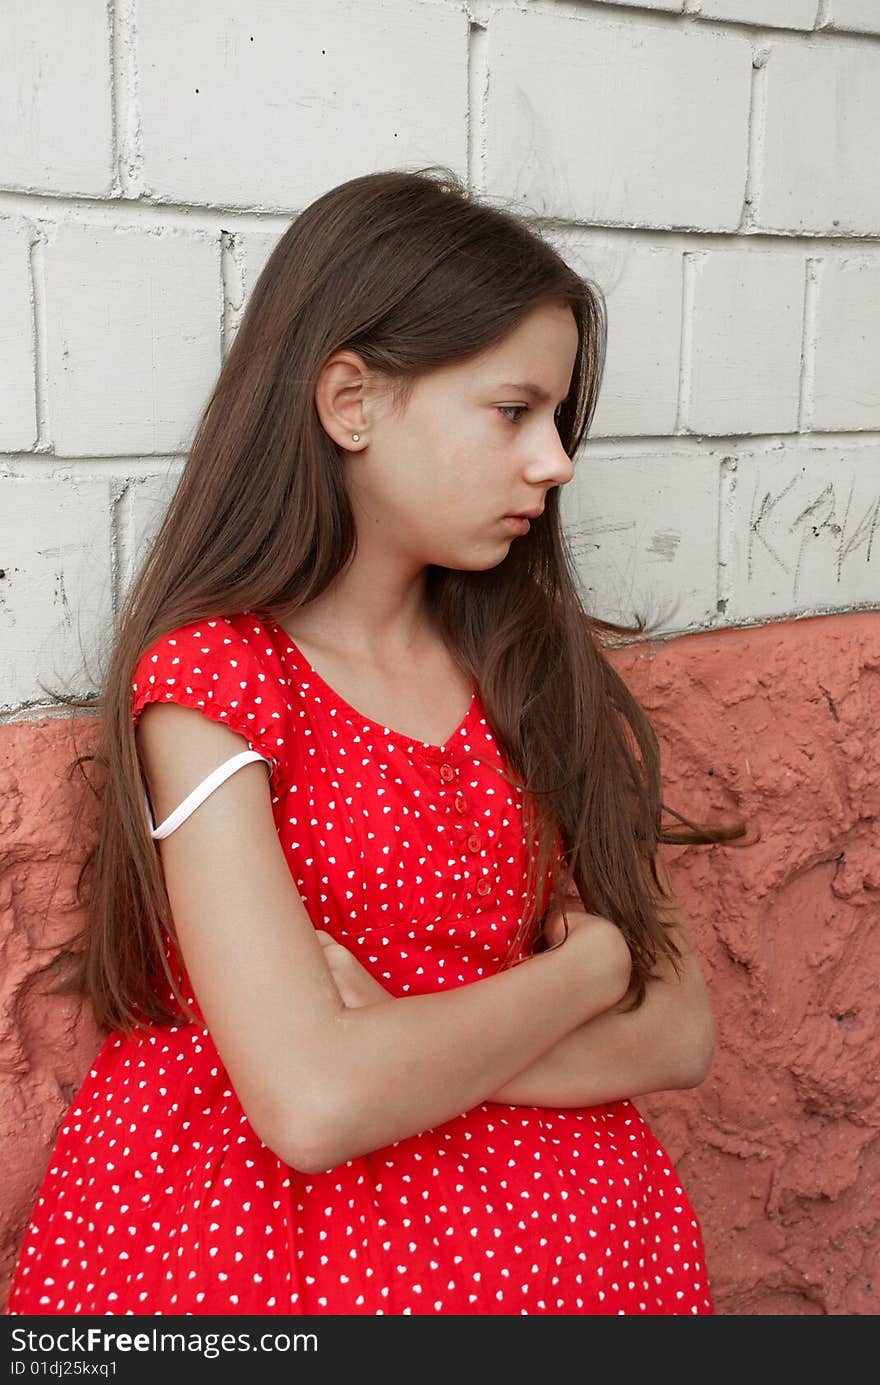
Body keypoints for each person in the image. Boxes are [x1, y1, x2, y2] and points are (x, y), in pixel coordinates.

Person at [6, 166, 747, 1317]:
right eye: (512, 412)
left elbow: (681, 1029)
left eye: (557, 419)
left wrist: (401, 1051)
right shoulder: (216, 681)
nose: (553, 461)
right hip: (274, 1261)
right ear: (349, 401)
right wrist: (585, 973)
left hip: (583, 1258)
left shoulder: (535, 677)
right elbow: (308, 1103)